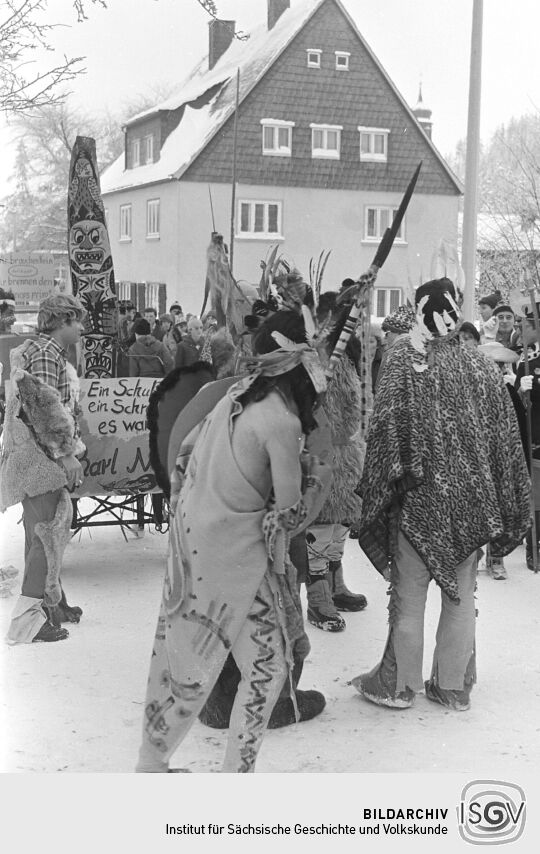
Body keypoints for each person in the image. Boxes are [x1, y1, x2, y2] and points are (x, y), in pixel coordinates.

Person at [136, 310, 331, 772]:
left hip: (196, 542)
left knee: (181, 663)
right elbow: (290, 516)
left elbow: (186, 458)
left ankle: (152, 765)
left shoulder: (235, 395)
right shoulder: (281, 421)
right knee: (266, 669)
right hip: (234, 557)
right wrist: (320, 480)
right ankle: (233, 775)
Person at [352, 277, 530, 712]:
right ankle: (452, 686)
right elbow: (505, 440)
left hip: (417, 502)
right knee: (461, 595)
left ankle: (399, 687)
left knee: (409, 595)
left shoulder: (401, 362)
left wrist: (379, 489)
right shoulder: (480, 366)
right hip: (471, 504)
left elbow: (383, 433)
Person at [1, 294, 87, 644]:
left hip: (36, 456)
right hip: (42, 459)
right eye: (78, 321)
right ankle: (27, 623)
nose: (82, 328)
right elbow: (43, 410)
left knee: (44, 532)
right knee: (45, 536)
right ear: (62, 321)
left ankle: (52, 605)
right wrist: (66, 454)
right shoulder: (47, 354)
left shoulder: (40, 350)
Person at [305, 296, 368, 632]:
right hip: (323, 450)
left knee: (341, 522)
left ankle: (335, 585)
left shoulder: (349, 354)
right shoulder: (315, 353)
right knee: (321, 522)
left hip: (348, 450)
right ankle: (318, 599)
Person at [514, 305, 540, 570]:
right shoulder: (528, 364)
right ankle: (534, 549)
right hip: (536, 439)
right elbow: (519, 411)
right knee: (538, 497)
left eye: (527, 323)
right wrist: (520, 391)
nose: (521, 328)